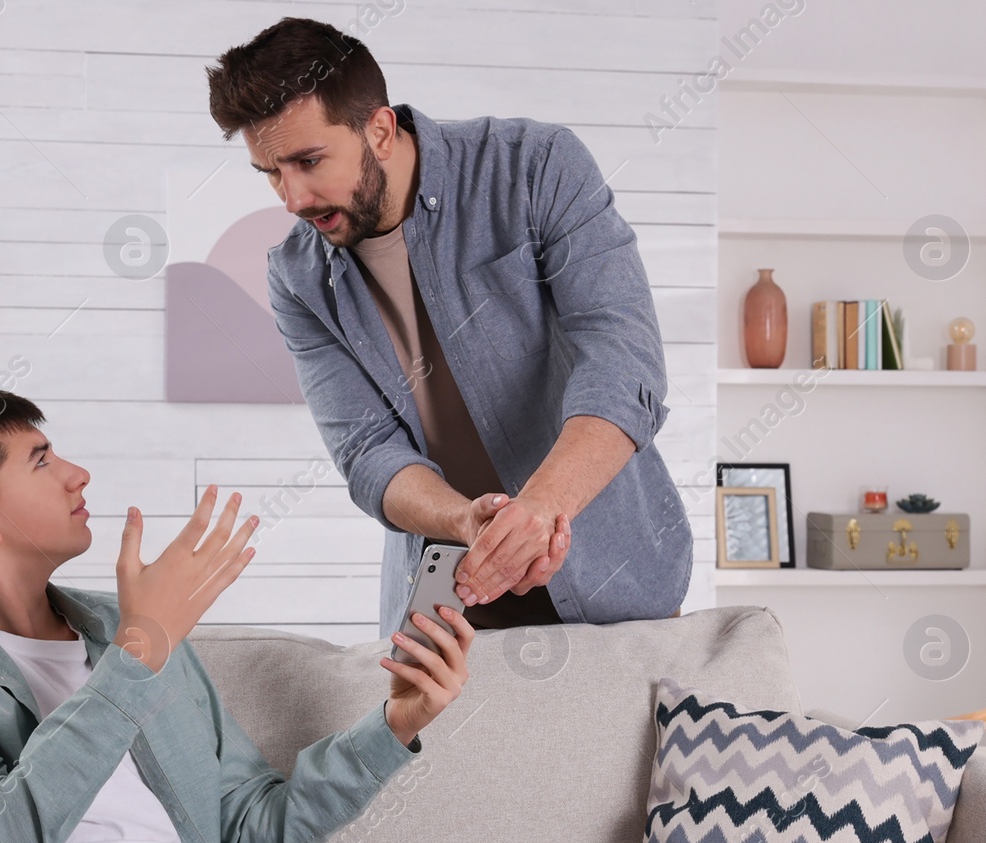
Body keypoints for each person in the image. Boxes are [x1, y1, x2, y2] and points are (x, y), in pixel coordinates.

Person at [0, 389, 474, 843]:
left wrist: (394, 725)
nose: (78, 475)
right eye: (41, 460)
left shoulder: (133, 623)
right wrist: (140, 649)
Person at [206, 18, 694, 635]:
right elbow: (368, 452)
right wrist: (469, 522)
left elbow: (623, 361)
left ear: (379, 130)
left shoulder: (535, 167)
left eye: (308, 161)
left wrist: (541, 510)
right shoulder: (295, 277)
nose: (292, 199)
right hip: (445, 615)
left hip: (620, 592)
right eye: (271, 172)